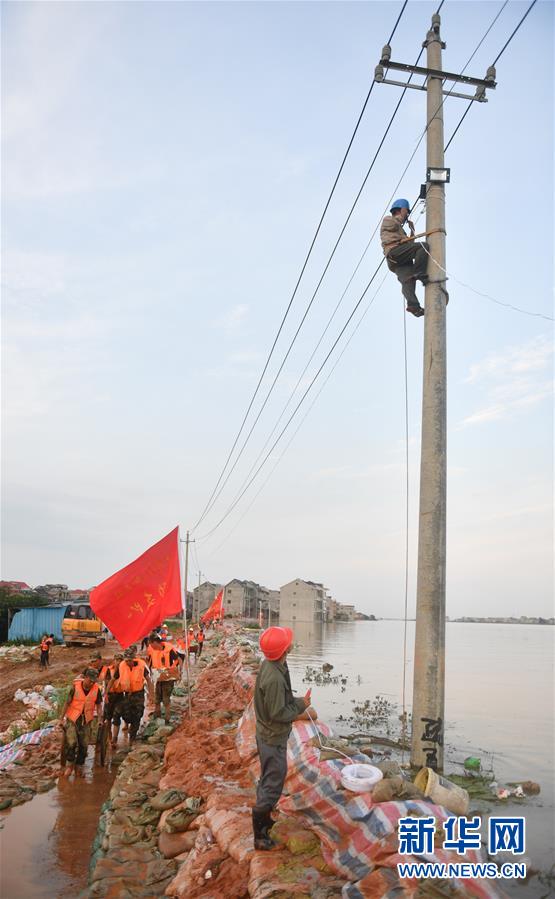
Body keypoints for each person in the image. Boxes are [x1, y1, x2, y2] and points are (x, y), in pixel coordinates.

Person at [252, 626, 317, 851]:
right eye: (288, 642)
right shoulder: (274, 678)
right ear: (283, 649)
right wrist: (301, 706)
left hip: (267, 733)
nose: (291, 643)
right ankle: (260, 835)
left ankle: (265, 818)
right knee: (274, 780)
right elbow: (278, 713)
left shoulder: (273, 665)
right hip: (272, 737)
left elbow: (280, 702)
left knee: (269, 776)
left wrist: (298, 702)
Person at [380, 198, 429, 317]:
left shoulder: (400, 230)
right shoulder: (388, 219)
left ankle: (414, 306)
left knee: (408, 280)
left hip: (399, 258)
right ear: (401, 209)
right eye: (406, 211)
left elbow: (409, 246)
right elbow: (393, 225)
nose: (407, 214)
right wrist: (402, 218)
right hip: (394, 252)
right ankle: (419, 272)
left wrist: (412, 231)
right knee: (424, 246)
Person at [59, 668, 102, 777]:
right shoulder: (75, 688)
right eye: (90, 680)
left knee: (84, 745)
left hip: (86, 720)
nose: (91, 683)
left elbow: (99, 705)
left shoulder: (96, 690)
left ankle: (79, 766)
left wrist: (100, 719)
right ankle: (69, 765)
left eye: (93, 681)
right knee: (71, 742)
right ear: (85, 677)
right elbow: (67, 703)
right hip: (73, 719)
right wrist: (61, 719)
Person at [119, 646, 152, 741]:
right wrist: (106, 692)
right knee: (126, 715)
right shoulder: (122, 666)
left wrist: (151, 694)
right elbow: (113, 679)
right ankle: (129, 726)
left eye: (129, 660)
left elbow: (148, 680)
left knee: (137, 715)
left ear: (133, 659)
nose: (128, 662)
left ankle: (132, 737)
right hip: (127, 694)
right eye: (126, 661)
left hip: (138, 694)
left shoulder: (141, 666)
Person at [147, 635, 180, 724]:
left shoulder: (169, 650)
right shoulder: (152, 651)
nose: (151, 646)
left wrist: (172, 670)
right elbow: (150, 664)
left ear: (155, 642)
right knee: (157, 698)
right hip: (158, 678)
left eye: (151, 644)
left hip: (168, 678)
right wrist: (151, 674)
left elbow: (177, 660)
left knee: (166, 699)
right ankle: (157, 716)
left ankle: (167, 719)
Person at [101, 652, 125, 747]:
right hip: (110, 695)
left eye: (120, 660)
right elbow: (106, 682)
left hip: (119, 695)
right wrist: (105, 694)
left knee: (117, 716)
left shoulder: (124, 670)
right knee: (108, 718)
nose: (118, 662)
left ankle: (114, 739)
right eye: (117, 660)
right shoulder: (108, 670)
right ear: (114, 661)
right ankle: (109, 736)